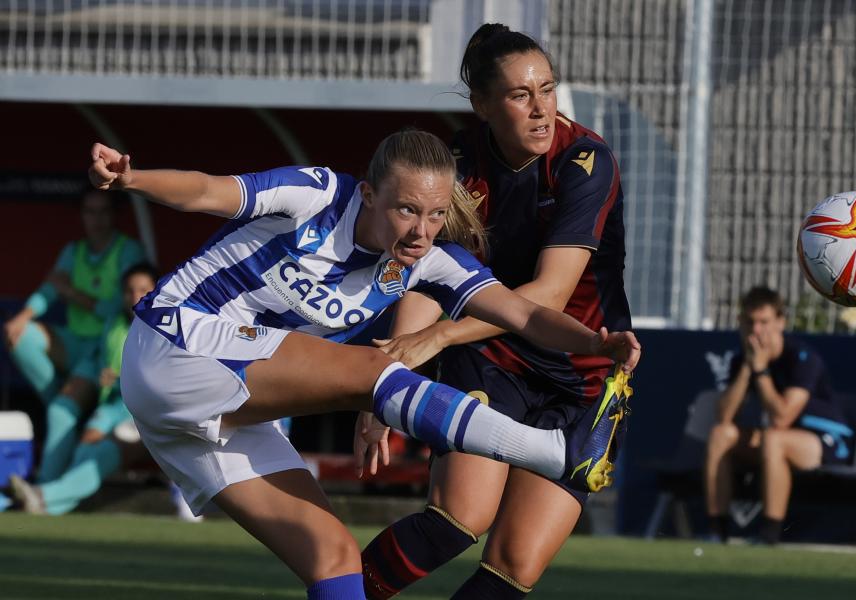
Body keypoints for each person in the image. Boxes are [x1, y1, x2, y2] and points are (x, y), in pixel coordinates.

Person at [85, 129, 639, 600]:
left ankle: (550, 453)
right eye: (407, 210)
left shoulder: (432, 261)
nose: (422, 231)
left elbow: (523, 313)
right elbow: (207, 190)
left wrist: (595, 341)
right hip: (172, 344)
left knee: (335, 558)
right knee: (371, 371)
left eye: (437, 214)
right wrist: (132, 179)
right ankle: (550, 453)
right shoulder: (317, 195)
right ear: (370, 194)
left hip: (214, 402)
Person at [358, 23, 632, 600]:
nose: (541, 110)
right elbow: (426, 279)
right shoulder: (457, 165)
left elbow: (549, 295)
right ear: (482, 104)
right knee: (458, 517)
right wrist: (389, 380)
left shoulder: (586, 162)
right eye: (519, 95)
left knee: (514, 565)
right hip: (494, 356)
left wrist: (441, 337)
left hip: (582, 377)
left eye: (548, 89)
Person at [2, 189, 145, 489]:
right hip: (78, 349)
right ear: (81, 216)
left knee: (78, 420)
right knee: (23, 338)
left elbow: (121, 308)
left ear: (114, 214)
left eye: (103, 211)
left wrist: (72, 293)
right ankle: (47, 485)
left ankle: (48, 490)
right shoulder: (74, 251)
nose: (97, 219)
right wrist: (24, 315)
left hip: (110, 351)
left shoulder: (128, 250)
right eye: (90, 212)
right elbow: (50, 289)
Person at [704, 286, 853, 545]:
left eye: (764, 322)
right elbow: (725, 416)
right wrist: (748, 370)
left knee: (775, 438)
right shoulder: (743, 360)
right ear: (740, 323)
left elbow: (783, 417)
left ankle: (769, 536)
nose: (756, 330)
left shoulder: (802, 358)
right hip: (779, 438)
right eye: (750, 322)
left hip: (826, 441)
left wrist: (761, 372)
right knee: (721, 435)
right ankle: (718, 533)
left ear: (780, 323)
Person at [6, 263, 157, 515]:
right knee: (87, 444)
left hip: (143, 411)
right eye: (129, 290)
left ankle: (42, 497)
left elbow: (163, 382)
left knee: (107, 450)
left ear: (156, 290)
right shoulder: (113, 322)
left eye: (143, 289)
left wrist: (120, 378)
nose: (135, 296)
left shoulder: (164, 326)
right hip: (112, 406)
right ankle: (45, 499)